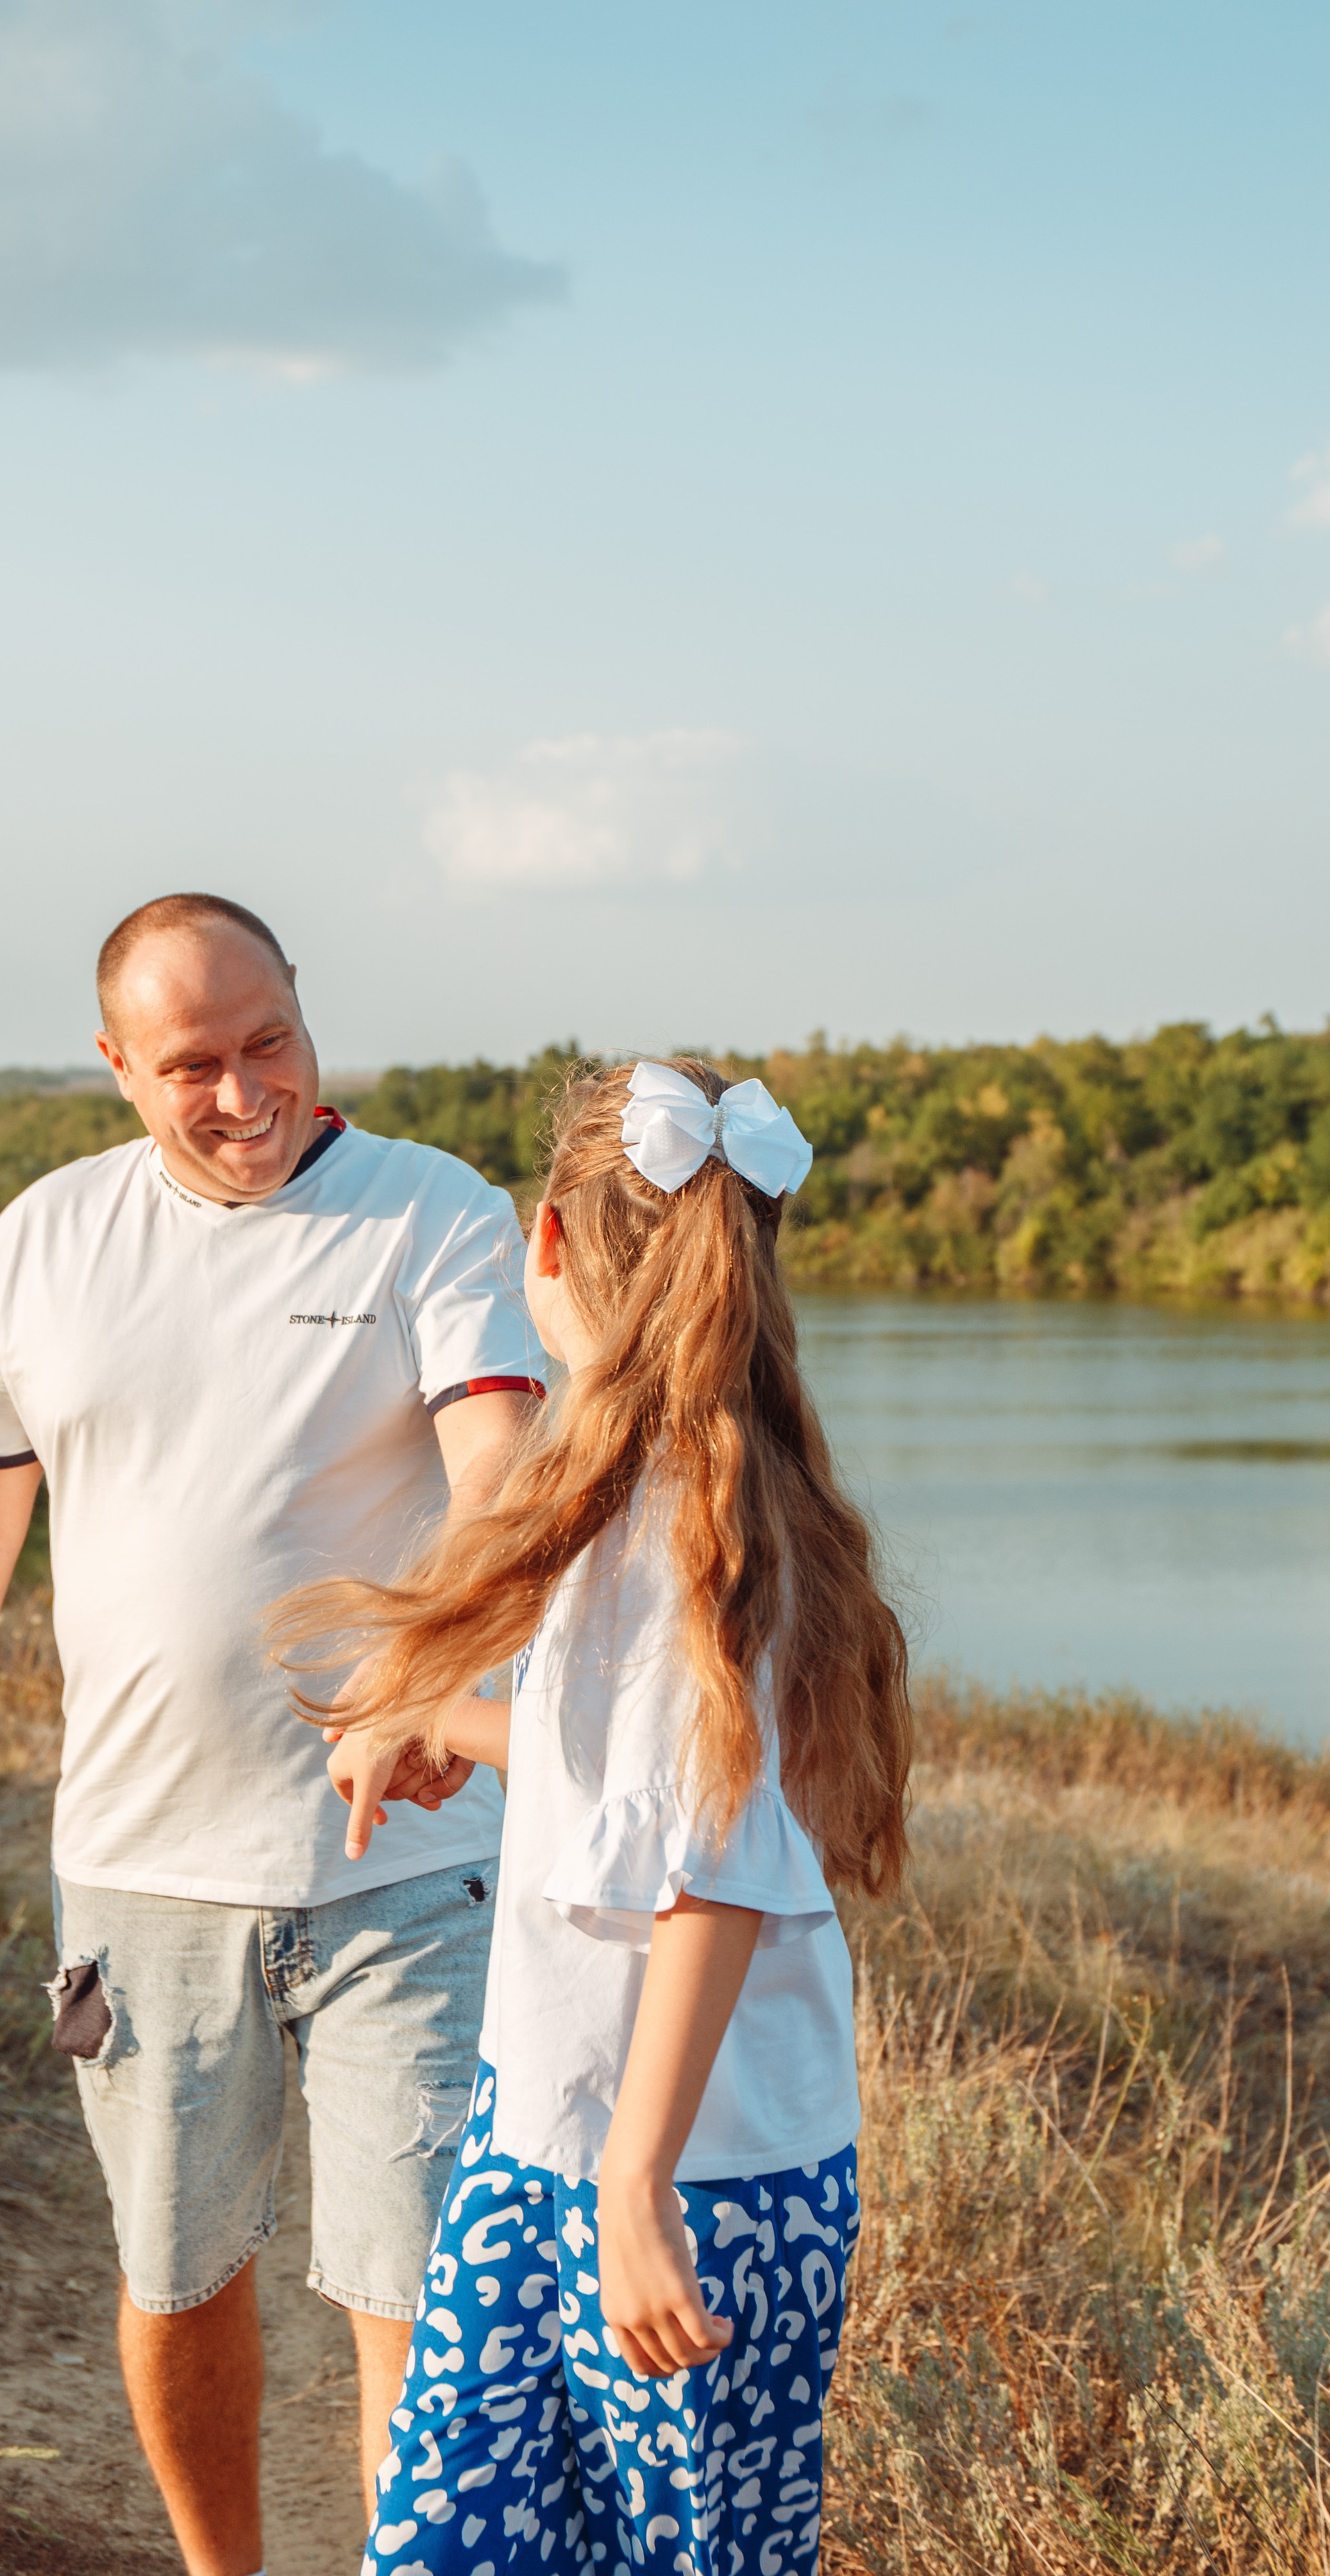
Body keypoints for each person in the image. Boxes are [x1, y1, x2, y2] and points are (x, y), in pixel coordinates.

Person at [0, 893, 544, 2576]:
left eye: (270, 1045)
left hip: (407, 1865)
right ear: (115, 1069)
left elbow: (502, 1480)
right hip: (141, 1872)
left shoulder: (429, 1213)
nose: (245, 1095)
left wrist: (426, 1681)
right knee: (176, 2279)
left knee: (417, 2303)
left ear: (307, 1018)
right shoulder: (43, 1241)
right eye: (193, 1067)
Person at [275, 1056, 911, 2576]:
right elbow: (636, 1792)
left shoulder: (675, 1525)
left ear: (541, 1242)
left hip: (675, 2170)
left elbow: (717, 1871)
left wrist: (634, 2188)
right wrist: (451, 1724)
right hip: (551, 2129)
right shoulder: (674, 1488)